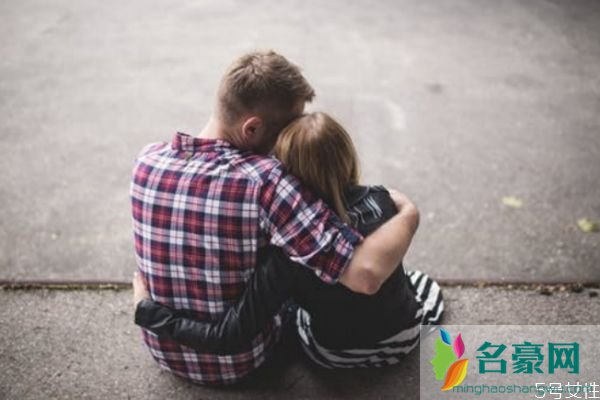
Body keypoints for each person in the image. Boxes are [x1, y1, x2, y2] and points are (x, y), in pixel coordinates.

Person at [131, 51, 422, 385]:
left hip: (163, 350)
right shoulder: (267, 182)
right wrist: (409, 214)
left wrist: (149, 313)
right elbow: (363, 275)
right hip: (243, 365)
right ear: (252, 128)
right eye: (286, 130)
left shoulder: (147, 160)